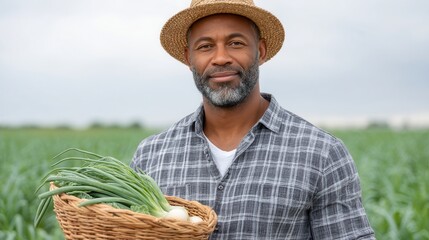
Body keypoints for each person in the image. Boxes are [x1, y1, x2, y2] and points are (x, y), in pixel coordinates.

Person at [131, 0, 375, 239]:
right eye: (205, 46)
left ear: (260, 51)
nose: (221, 58)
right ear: (188, 58)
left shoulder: (322, 153)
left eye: (236, 43)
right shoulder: (151, 155)